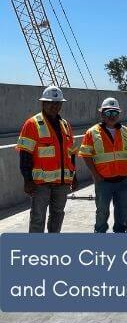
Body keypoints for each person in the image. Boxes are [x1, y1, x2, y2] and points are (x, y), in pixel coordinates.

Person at [16, 86, 77, 233]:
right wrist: (27, 180)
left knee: (58, 215)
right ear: (43, 103)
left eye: (57, 103)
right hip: (40, 184)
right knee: (38, 218)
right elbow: (25, 154)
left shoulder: (66, 125)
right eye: (50, 102)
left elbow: (72, 153)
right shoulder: (32, 124)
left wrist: (74, 176)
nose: (54, 106)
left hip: (62, 182)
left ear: (61, 104)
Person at [79, 98, 127, 233]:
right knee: (102, 213)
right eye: (108, 113)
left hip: (123, 181)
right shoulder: (92, 133)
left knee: (122, 212)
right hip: (103, 182)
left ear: (119, 114)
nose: (112, 116)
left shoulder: (126, 132)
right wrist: (96, 175)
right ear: (102, 114)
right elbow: (86, 155)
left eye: (115, 113)